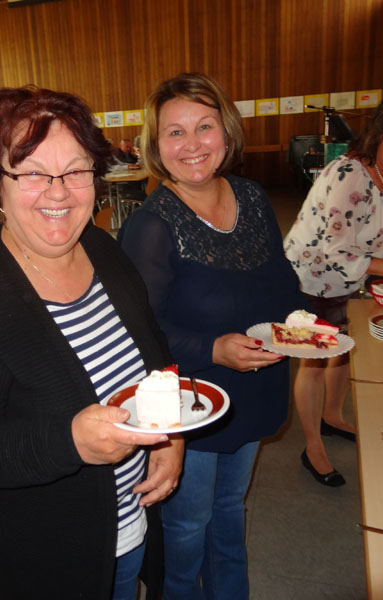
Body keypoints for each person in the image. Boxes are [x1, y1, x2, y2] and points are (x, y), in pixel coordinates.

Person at [0, 86, 183, 599]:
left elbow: (155, 353)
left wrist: (172, 438)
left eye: (76, 170)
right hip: (49, 556)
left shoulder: (102, 249)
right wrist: (69, 443)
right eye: (33, 173)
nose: (58, 193)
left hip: (131, 525)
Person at [119, 72, 305, 599]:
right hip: (193, 401)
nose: (193, 144)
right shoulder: (151, 226)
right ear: (156, 145)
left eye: (204, 126)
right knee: (186, 525)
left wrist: (305, 325)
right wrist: (213, 348)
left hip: (256, 386)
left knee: (229, 508)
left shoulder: (252, 196)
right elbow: (141, 330)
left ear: (226, 130)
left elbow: (280, 282)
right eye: (174, 132)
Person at [284, 87, 383, 486]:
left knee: (343, 349)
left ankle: (333, 416)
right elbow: (336, 249)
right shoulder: (348, 174)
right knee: (314, 360)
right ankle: (312, 446)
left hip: (350, 276)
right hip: (311, 278)